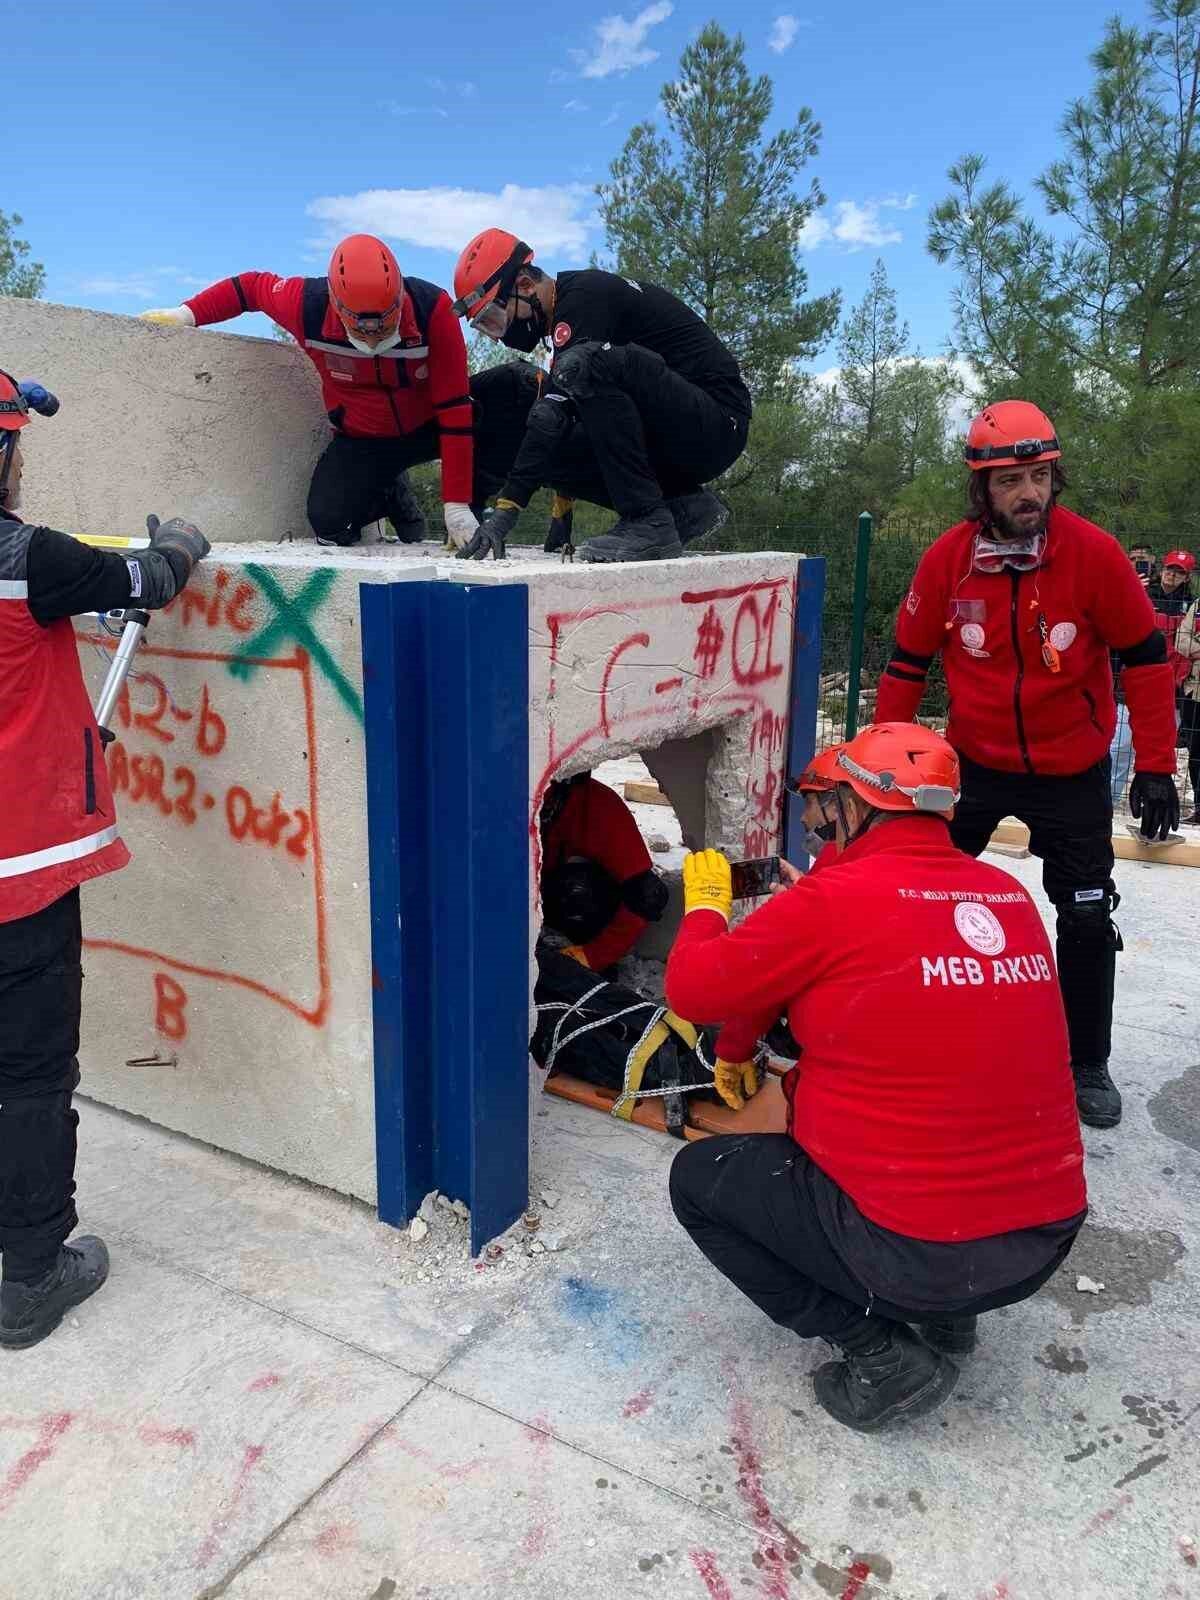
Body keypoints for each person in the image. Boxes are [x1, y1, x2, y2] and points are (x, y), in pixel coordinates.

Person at [664, 723, 1087, 1433]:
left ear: (856, 804)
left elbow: (693, 988)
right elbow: (885, 963)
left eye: (819, 802)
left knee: (699, 1182)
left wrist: (706, 908)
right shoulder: (1006, 896)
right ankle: (951, 1318)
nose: (811, 821)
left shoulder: (832, 902)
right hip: (1043, 1240)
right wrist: (742, 1042)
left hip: (916, 1254)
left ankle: (882, 1356)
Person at [873, 401, 1178, 1130]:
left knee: (1086, 913)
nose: (1029, 493)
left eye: (1040, 476)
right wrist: (885, 762)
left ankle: (1086, 1060)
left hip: (1072, 766)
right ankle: (906, 1030)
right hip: (972, 764)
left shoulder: (1093, 553)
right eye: (1011, 481)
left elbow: (1145, 657)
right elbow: (907, 663)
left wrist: (1155, 765)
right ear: (981, 489)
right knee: (914, 895)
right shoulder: (948, 559)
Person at [0, 369, 209, 1349]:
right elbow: (150, 581)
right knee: (31, 1077)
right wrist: (182, 544)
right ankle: (31, 1276)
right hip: (20, 875)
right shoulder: (31, 561)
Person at [143, 234, 537, 551]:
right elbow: (249, 289)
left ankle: (475, 505)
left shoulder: (432, 308)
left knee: (516, 390)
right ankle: (390, 493)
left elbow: (453, 408)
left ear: (400, 297)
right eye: (363, 327)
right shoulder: (305, 305)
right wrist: (186, 314)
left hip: (430, 424)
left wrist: (457, 505)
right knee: (329, 521)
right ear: (336, 304)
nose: (374, 336)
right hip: (364, 439)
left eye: (385, 323)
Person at [449, 230, 751, 563]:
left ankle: (647, 518)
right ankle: (682, 506)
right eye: (487, 329)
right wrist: (558, 516)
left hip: (718, 422)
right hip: (677, 433)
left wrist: (504, 516)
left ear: (525, 285)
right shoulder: (573, 316)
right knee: (552, 430)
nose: (500, 336)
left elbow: (554, 412)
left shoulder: (584, 297)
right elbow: (556, 421)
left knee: (584, 368)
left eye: (494, 320)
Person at [705, 744, 845, 1113]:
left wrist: (733, 1048)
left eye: (809, 804)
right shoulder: (849, 857)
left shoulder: (837, 861)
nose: (804, 818)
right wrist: (807, 894)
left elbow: (774, 971)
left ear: (837, 807)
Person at [539, 774, 668, 970]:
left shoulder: (598, 806)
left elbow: (644, 894)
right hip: (522, 895)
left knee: (580, 889)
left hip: (562, 900)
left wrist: (593, 956)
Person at [1177, 591, 1200, 824]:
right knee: (1196, 754)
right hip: (1195, 691)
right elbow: (1181, 641)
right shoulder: (1198, 605)